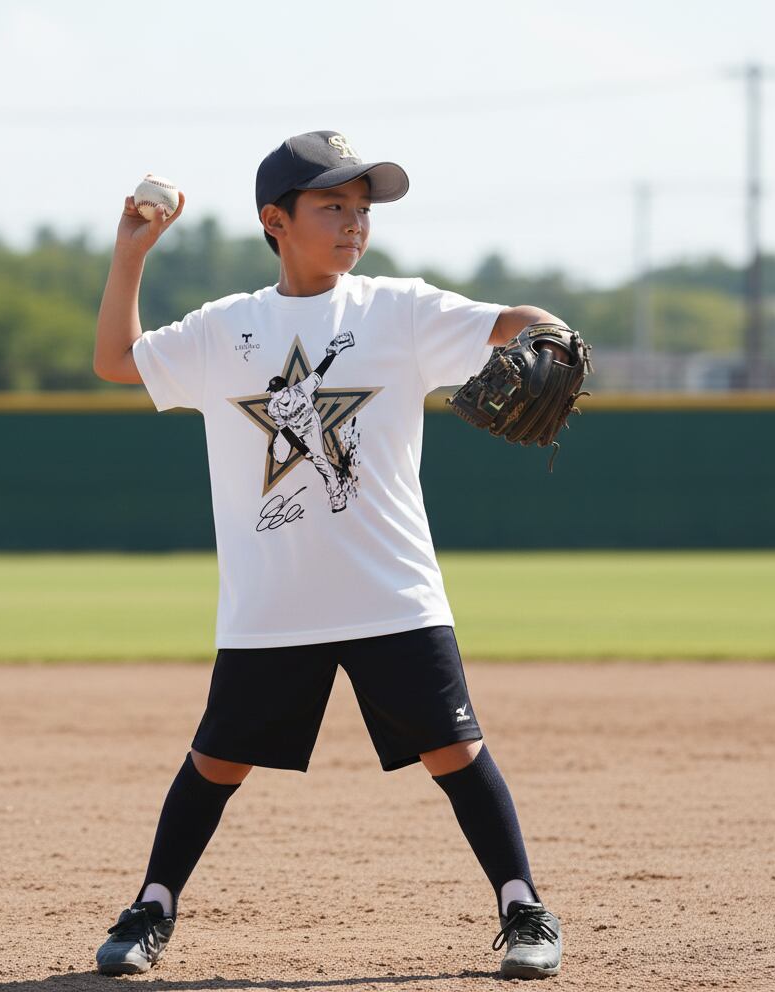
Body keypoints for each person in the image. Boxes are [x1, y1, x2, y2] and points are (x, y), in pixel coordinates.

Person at [92, 130, 569, 980]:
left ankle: (523, 906)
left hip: (393, 594)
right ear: (275, 221)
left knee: (456, 751)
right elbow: (116, 361)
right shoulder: (225, 328)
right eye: (332, 206)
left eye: (362, 208)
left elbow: (516, 322)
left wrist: (552, 334)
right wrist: (131, 253)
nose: (354, 222)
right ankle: (151, 908)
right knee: (216, 761)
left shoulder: (400, 310)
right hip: (272, 603)